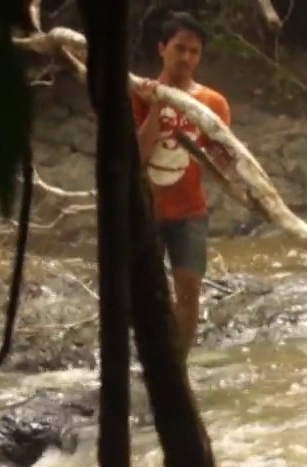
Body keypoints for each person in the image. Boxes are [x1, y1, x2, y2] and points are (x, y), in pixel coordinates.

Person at [131, 11, 232, 361]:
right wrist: (157, 106)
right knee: (145, 294)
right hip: (146, 210)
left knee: (188, 292)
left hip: (190, 212)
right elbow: (137, 155)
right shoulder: (139, 93)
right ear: (162, 48)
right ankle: (151, 362)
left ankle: (178, 368)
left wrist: (226, 157)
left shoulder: (213, 104)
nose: (186, 57)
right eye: (179, 49)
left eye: (194, 51)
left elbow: (223, 162)